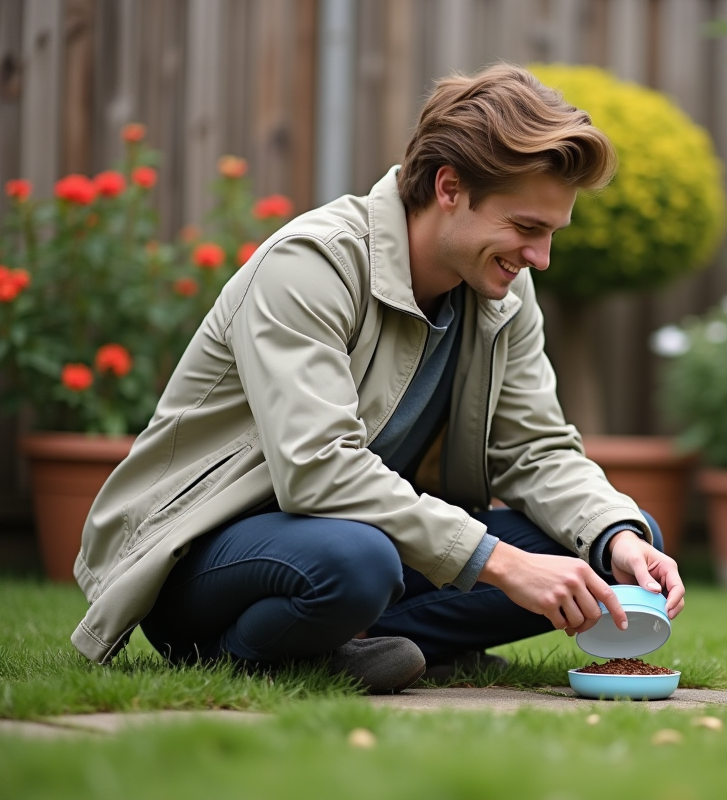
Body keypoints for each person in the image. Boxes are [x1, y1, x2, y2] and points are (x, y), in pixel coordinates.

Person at [69, 63, 685, 692]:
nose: (540, 258)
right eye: (526, 227)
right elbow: (318, 469)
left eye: (551, 233)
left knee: (615, 551)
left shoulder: (503, 289)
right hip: (212, 560)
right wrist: (499, 563)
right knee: (355, 560)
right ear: (450, 187)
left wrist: (615, 532)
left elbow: (537, 449)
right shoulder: (312, 265)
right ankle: (253, 653)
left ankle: (361, 646)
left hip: (371, 549)